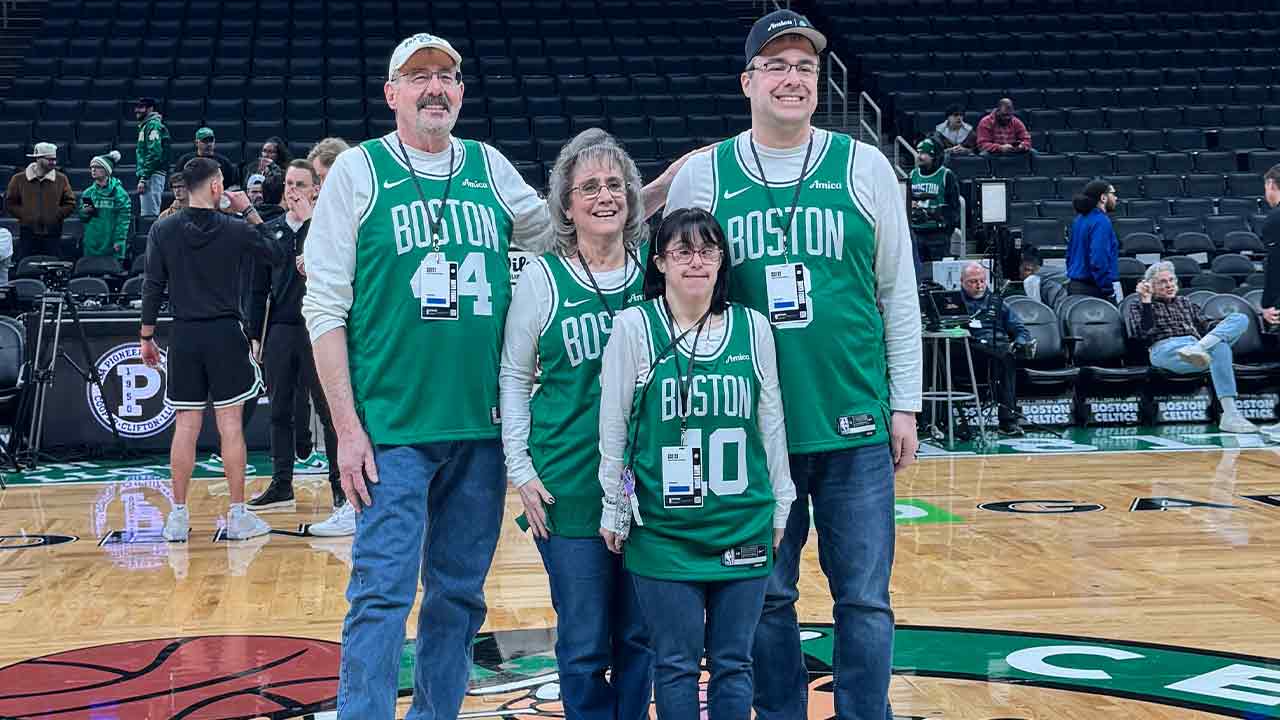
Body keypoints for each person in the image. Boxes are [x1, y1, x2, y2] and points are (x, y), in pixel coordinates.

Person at [301, 33, 687, 718]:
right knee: (382, 592)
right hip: (392, 431)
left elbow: (558, 228)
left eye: (446, 76)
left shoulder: (485, 164)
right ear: (392, 95)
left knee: (457, 597)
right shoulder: (360, 172)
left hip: (479, 434)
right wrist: (347, 429)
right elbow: (324, 306)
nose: (434, 88)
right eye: (417, 78)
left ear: (460, 92)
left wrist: (649, 192)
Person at [662, 10, 922, 719]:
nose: (793, 78)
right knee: (766, 596)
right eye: (776, 65)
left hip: (854, 422)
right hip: (749, 431)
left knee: (864, 597)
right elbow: (681, 302)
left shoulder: (865, 165)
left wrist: (906, 403)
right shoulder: (706, 176)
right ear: (748, 82)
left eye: (804, 67)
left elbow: (897, 292)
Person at [598, 208, 794, 719]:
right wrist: (614, 508)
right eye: (682, 251)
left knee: (735, 662)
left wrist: (781, 504)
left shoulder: (752, 327)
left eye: (707, 250)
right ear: (659, 261)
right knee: (676, 663)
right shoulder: (634, 327)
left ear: (721, 260)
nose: (696, 262)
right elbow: (614, 429)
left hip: (741, 520)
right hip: (664, 530)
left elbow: (770, 423)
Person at [500, 128, 653, 720]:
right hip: (568, 480)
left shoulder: (654, 273)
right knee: (585, 640)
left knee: (640, 635)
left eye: (615, 184)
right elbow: (514, 378)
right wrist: (521, 471)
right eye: (588, 187)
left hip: (648, 484)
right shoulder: (542, 278)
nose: (604, 196)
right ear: (565, 204)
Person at [140, 158, 291, 542]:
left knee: (185, 428)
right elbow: (278, 255)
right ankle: (238, 515)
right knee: (229, 428)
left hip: (185, 335)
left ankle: (177, 517)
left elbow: (152, 285)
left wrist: (146, 336)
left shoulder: (163, 228)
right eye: (221, 183)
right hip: (225, 333)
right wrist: (250, 211)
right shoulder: (235, 228)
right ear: (213, 188)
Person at [247, 160, 349, 534]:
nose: (292, 190)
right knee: (279, 409)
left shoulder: (323, 228)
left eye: (300, 184)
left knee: (328, 410)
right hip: (281, 329)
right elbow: (258, 288)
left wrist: (310, 223)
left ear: (315, 189)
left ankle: (340, 485)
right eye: (289, 183)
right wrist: (254, 333)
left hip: (319, 329)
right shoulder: (272, 230)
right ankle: (281, 483)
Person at [1124, 261, 1257, 434]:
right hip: (1165, 349)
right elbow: (1142, 334)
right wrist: (1147, 301)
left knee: (1239, 319)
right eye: (1163, 282)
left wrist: (1222, 328)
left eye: (1171, 280)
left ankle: (1230, 416)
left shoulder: (1185, 302)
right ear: (1150, 285)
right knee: (1220, 348)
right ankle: (1230, 414)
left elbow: (1206, 325)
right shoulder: (1138, 305)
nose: (1169, 285)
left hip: (1195, 346)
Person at [959, 262, 1033, 435]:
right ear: (962, 282)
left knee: (1007, 356)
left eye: (982, 281)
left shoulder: (998, 302)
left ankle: (1007, 421)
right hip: (966, 350)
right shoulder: (954, 302)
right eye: (972, 282)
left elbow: (1021, 330)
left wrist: (1021, 341)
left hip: (998, 350)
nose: (978, 285)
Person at [5, 141, 76, 261]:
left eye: (54, 159)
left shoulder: (61, 179)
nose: (54, 162)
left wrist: (55, 215)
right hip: (28, 232)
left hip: (53, 232)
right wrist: (25, 215)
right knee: (27, 265)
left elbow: (70, 203)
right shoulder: (18, 179)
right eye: (49, 159)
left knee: (52, 265)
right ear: (38, 159)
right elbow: (10, 203)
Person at [909, 137, 960, 265]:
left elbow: (954, 205)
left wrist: (947, 229)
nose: (920, 156)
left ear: (934, 156)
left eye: (924, 153)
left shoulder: (946, 175)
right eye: (918, 152)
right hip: (917, 232)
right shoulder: (912, 175)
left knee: (938, 274)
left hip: (938, 234)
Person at [1067, 180, 1120, 300]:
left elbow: (1069, 255)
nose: (1116, 198)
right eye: (1113, 193)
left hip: (1074, 287)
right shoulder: (1102, 221)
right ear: (1103, 198)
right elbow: (1098, 260)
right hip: (1094, 290)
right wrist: (1108, 289)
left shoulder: (1079, 220)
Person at [1257, 165, 1280, 442]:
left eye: (1266, 187)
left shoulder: (1275, 219)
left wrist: (1267, 303)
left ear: (1272, 185)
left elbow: (1275, 266)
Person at [78, 150, 131, 262]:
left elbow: (123, 221)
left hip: (111, 243)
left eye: (97, 167)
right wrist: (85, 211)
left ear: (107, 170)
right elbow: (84, 218)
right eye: (92, 167)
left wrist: (119, 240)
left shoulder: (120, 194)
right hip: (91, 243)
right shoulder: (88, 193)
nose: (93, 169)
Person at [134, 97, 171, 216]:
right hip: (150, 173)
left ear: (150, 109)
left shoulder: (153, 125)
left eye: (141, 107)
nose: (137, 110)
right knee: (148, 213)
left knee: (150, 215)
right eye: (136, 107)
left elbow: (155, 153)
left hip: (152, 174)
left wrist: (144, 177)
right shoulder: (146, 126)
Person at [175, 128, 239, 188]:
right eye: (205, 141)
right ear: (196, 143)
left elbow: (232, 185)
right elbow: (176, 181)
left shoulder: (224, 162)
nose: (209, 144)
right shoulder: (185, 160)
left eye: (211, 141)